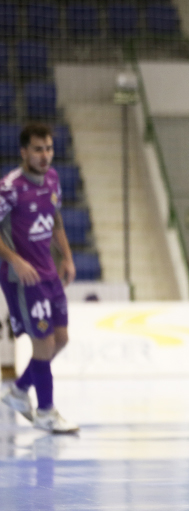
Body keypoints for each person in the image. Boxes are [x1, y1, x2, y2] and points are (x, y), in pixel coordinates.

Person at [0, 123, 78, 434]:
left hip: (49, 271)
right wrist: (15, 260)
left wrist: (68, 258)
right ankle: (45, 412)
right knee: (43, 343)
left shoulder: (53, 179)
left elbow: (55, 218)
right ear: (24, 152)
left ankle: (19, 392)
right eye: (38, 149)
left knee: (61, 340)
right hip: (23, 277)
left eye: (48, 148)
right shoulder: (10, 187)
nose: (45, 155)